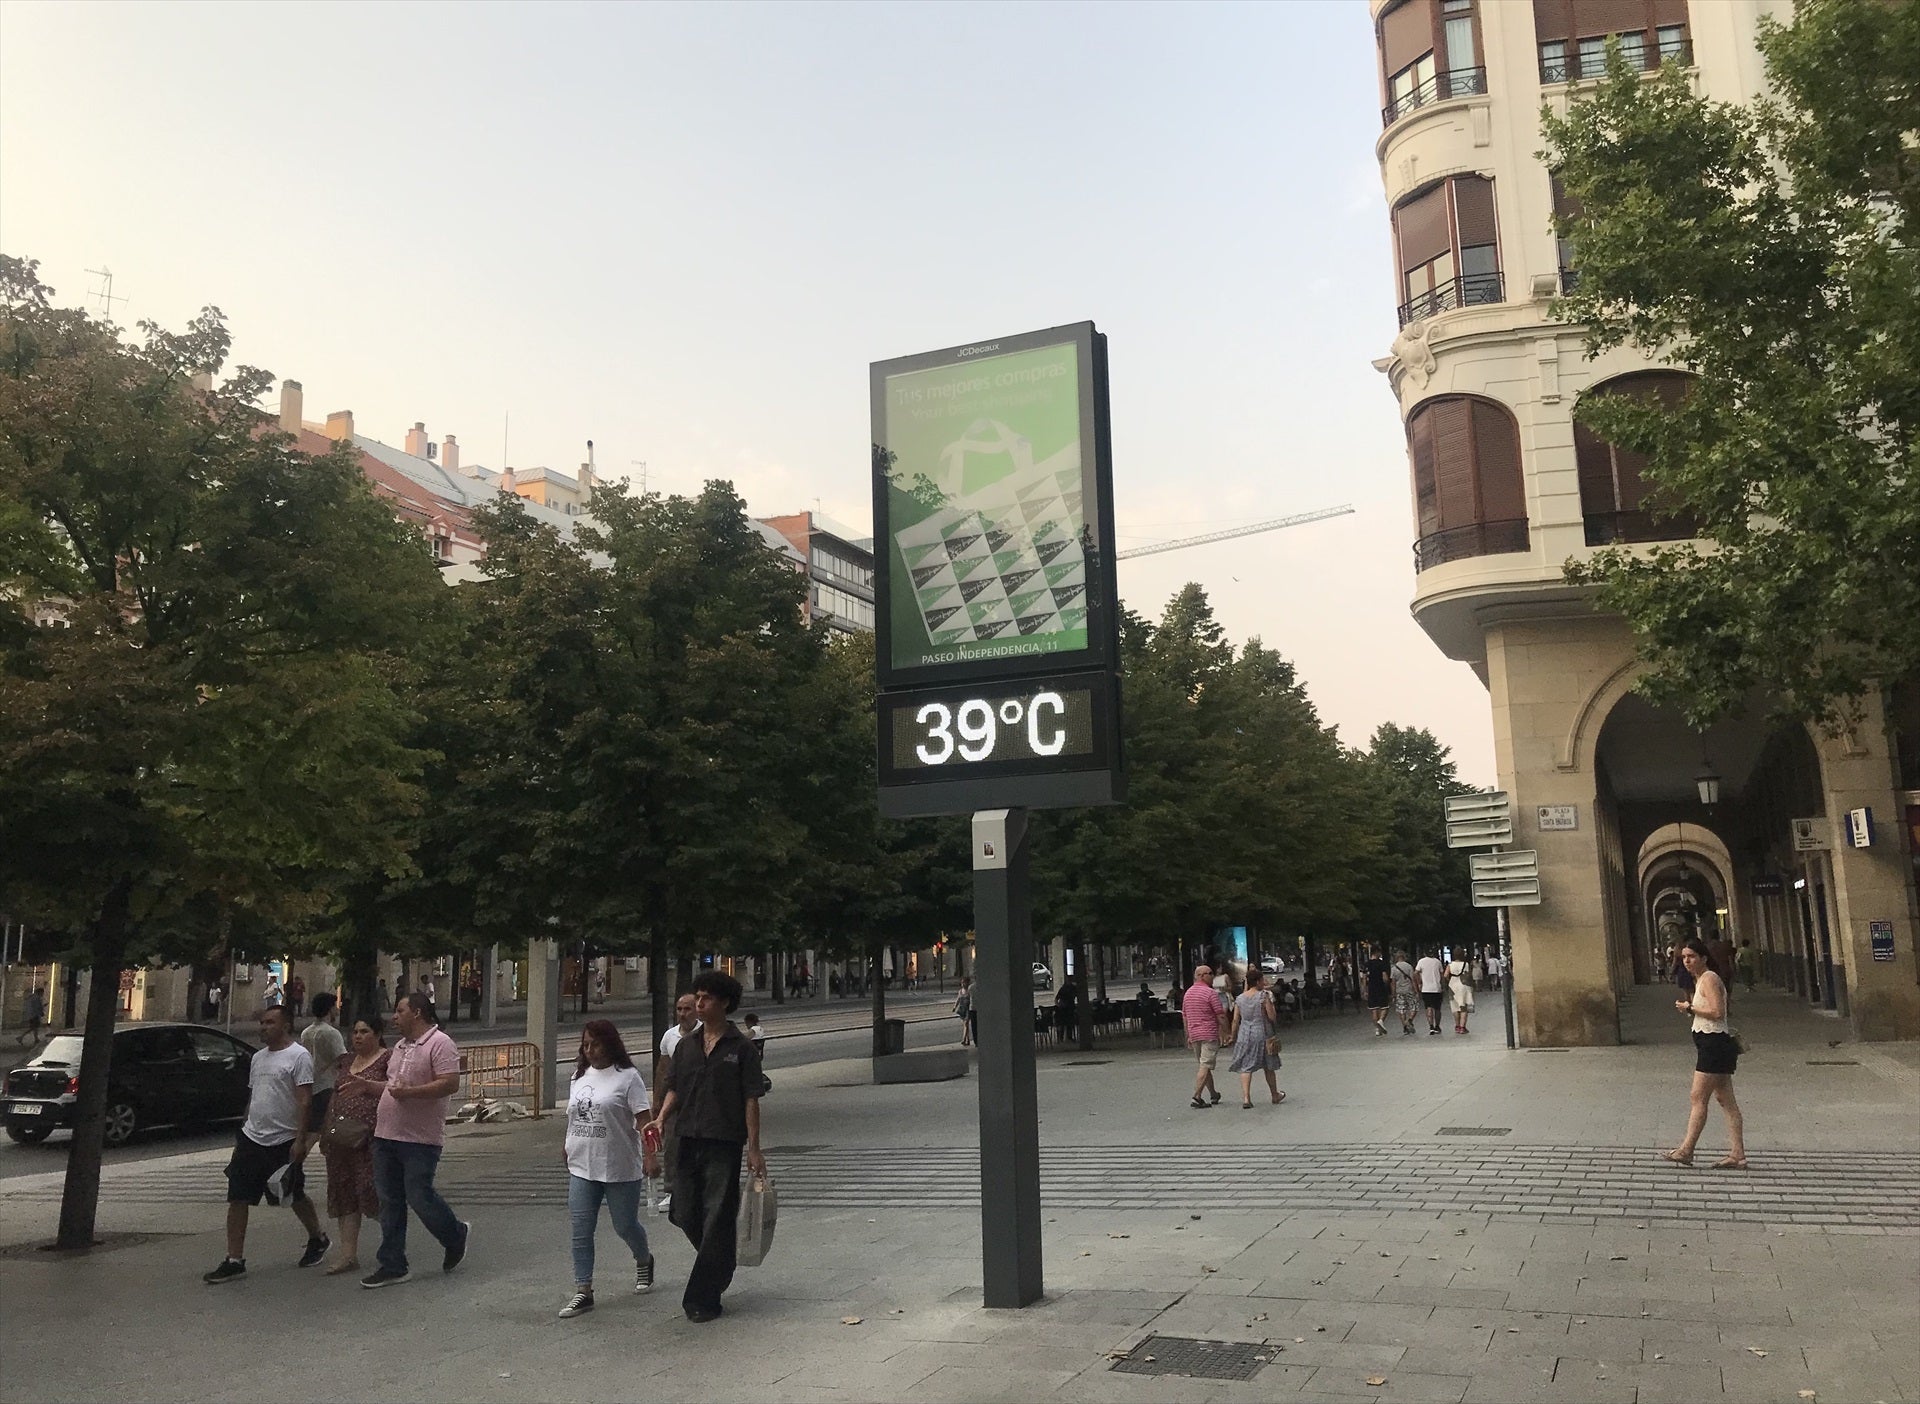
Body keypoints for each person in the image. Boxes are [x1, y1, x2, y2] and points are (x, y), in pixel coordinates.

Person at [653, 969, 767, 1324]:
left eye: (705, 999)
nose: (698, 1004)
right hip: (687, 1136)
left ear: (725, 1004)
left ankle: (702, 1298)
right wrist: (660, 1118)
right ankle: (721, 1260)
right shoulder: (685, 1046)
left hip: (724, 1140)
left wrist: (754, 1147)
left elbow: (751, 1098)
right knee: (683, 1211)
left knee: (718, 1213)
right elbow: (675, 1088)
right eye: (696, 997)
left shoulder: (741, 1048)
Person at [203, 1004, 328, 1283]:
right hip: (252, 1138)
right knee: (238, 1196)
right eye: (262, 1022)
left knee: (291, 1194)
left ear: (285, 1025)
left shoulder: (298, 1057)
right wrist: (244, 1127)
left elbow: (305, 1100)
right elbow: (254, 1095)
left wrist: (301, 1140)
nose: (263, 1027)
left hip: (283, 1139)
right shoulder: (258, 1058)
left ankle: (317, 1237)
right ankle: (234, 1259)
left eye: (270, 1022)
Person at [362, 992, 468, 1289]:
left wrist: (411, 1093)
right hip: (386, 1135)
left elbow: (450, 1083)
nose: (394, 1017)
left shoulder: (440, 1043)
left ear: (417, 1013)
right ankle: (393, 1263)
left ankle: (454, 1235)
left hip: (419, 1139)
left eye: (399, 1011)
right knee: (389, 1200)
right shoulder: (400, 1046)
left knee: (419, 1196)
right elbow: (395, 1085)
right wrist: (370, 1087)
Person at [558, 1019, 655, 1318]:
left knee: (624, 1225)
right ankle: (583, 1289)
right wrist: (566, 1144)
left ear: (610, 1044)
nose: (590, 1050)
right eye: (585, 1045)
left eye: (596, 1044)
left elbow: (644, 1120)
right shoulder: (579, 1076)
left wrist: (651, 1155)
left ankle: (643, 1259)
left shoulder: (627, 1078)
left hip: (618, 1164)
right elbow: (573, 1116)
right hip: (582, 1163)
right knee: (580, 1230)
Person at [1662, 937, 1747, 1170]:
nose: (1687, 961)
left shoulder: (1709, 978)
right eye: (1684, 958)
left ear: (1704, 958)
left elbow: (1718, 1011)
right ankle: (1737, 1154)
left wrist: (1689, 1007)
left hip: (1714, 1045)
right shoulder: (1701, 979)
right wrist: (1692, 1011)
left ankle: (1687, 1150)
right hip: (1711, 1043)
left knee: (1697, 1097)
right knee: (1725, 1099)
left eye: (1691, 957)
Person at [320, 1014, 390, 1275]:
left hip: (372, 1140)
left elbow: (395, 1089)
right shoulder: (347, 1061)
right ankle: (348, 1255)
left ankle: (393, 1248)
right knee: (345, 1194)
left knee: (373, 1192)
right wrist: (325, 1132)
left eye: (365, 1031)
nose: (358, 1036)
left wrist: (368, 1087)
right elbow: (335, 1095)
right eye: (355, 1032)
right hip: (341, 1141)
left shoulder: (388, 1058)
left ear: (378, 1034)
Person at [654, 992, 699, 1213]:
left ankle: (697, 1191)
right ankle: (671, 1192)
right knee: (672, 1146)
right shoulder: (670, 1036)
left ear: (697, 1010)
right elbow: (663, 1069)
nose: (682, 1014)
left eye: (687, 1009)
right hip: (674, 1102)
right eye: (679, 1009)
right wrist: (657, 1102)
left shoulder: (705, 1034)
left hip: (700, 1103)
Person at [1226, 969, 1283, 1108]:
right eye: (1262, 980)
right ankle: (1275, 1094)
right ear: (1257, 981)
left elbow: (1235, 1020)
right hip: (1263, 1033)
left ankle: (1246, 1098)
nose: (1264, 982)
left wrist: (1232, 1036)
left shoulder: (1240, 998)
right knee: (1268, 1066)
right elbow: (1271, 1017)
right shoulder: (1263, 996)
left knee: (1246, 1066)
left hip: (1245, 1034)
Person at [300, 993, 348, 1135]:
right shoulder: (332, 1033)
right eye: (335, 1006)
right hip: (327, 1085)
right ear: (329, 1009)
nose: (337, 1009)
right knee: (322, 1129)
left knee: (312, 1128)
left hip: (311, 1084)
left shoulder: (306, 1032)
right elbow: (342, 1058)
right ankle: (297, 1157)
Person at [1180, 965, 1225, 1110]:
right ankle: (1197, 1096)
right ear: (1201, 976)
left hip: (1194, 1034)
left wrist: (1187, 1035)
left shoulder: (1188, 993)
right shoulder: (1210, 993)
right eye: (1210, 974)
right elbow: (1220, 1014)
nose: (1212, 976)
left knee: (1204, 1065)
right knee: (1205, 1065)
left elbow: (1185, 1016)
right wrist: (1228, 1031)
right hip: (1209, 1034)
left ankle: (1213, 1093)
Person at [1413, 949, 1447, 1035]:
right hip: (1436, 988)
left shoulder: (1421, 962)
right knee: (1437, 1008)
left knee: (1428, 1007)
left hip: (1426, 988)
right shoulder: (1438, 962)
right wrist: (1443, 986)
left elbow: (1416, 973)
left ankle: (1431, 1026)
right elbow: (1442, 975)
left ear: (1425, 953)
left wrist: (1419, 982)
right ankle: (1437, 1026)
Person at [1363, 950, 1392, 1037]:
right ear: (1377, 953)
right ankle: (1381, 1021)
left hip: (1371, 989)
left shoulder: (1366, 964)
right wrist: (1387, 984)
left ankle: (1377, 1030)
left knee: (1374, 1010)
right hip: (1381, 988)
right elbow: (1385, 977)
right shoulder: (1381, 963)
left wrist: (1365, 990)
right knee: (1384, 1007)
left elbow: (1364, 978)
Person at [1389, 952, 1419, 1036]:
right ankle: (1409, 1020)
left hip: (1399, 991)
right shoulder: (1409, 966)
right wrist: (1416, 991)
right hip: (1409, 990)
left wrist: (1393, 993)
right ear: (1404, 957)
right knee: (1414, 1007)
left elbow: (1393, 982)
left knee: (1401, 1009)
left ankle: (1405, 1027)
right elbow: (1413, 980)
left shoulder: (1394, 968)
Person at [1447, 953, 1476, 1034]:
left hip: (1452, 986)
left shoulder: (1450, 965)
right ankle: (1462, 1027)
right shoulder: (1465, 964)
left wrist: (1449, 980)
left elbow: (1445, 974)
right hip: (1464, 985)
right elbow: (1469, 975)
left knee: (1455, 1007)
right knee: (1464, 1006)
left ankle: (1457, 1026)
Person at [953, 977, 974, 1047]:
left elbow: (972, 999)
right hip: (962, 1009)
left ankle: (963, 1039)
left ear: (967, 983)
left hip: (968, 1009)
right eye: (962, 983)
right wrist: (954, 1007)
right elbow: (958, 999)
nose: (962, 984)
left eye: (964, 982)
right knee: (966, 1025)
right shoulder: (960, 991)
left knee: (966, 1024)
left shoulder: (969, 991)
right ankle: (968, 1040)